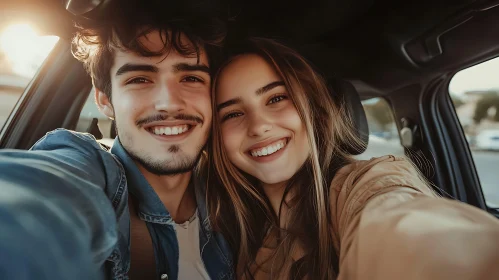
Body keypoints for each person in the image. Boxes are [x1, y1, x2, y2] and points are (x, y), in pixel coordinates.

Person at [208, 37, 499, 280]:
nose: (258, 125)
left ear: (314, 111)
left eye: (276, 98)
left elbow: (406, 228)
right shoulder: (224, 223)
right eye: (232, 114)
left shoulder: (362, 185)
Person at [0, 3, 233, 280]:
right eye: (140, 79)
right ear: (104, 100)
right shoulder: (88, 169)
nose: (169, 102)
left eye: (191, 78)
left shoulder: (234, 200)